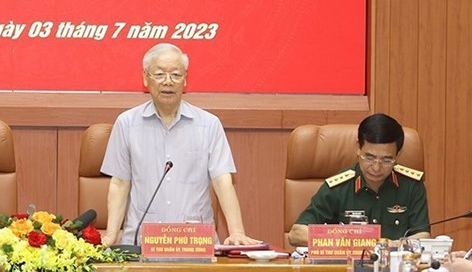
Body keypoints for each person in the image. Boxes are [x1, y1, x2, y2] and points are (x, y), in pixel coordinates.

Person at [100, 43, 259, 247]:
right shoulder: (127, 123)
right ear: (145, 78)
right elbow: (120, 183)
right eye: (159, 74)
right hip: (142, 243)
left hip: (195, 243)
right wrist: (112, 234)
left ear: (185, 80)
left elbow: (222, 181)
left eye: (176, 74)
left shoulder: (208, 125)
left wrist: (237, 232)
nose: (168, 82)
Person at [289, 113, 429, 246]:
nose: (376, 167)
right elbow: (296, 233)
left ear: (397, 155)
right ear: (358, 148)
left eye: (386, 160)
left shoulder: (411, 186)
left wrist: (392, 245)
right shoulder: (339, 186)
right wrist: (345, 241)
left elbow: (423, 235)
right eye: (369, 157)